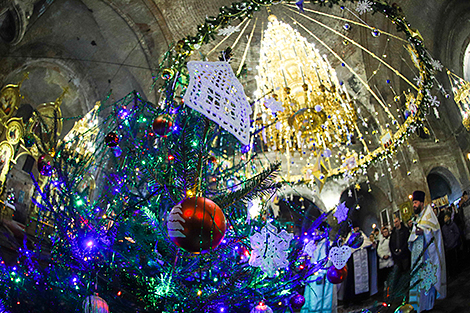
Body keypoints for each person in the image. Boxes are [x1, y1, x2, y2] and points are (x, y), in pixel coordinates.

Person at [408, 190, 446, 313]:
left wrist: (423, 232)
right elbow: (412, 237)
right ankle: (418, 306)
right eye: (413, 202)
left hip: (427, 258)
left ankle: (428, 306)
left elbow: (435, 232)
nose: (414, 205)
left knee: (426, 282)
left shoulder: (429, 215)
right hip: (417, 258)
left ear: (422, 203)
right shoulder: (418, 218)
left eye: (416, 202)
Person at [302, 226, 337, 313]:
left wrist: (321, 272)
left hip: (321, 275)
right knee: (311, 296)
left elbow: (327, 261)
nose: (315, 234)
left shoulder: (327, 244)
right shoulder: (315, 243)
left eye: (317, 231)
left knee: (318, 297)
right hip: (313, 274)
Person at [441, 212, 461, 278]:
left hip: (453, 245)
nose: (445, 219)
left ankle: (456, 272)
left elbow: (457, 233)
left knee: (454, 259)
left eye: (447, 217)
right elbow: (443, 237)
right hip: (447, 246)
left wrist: (454, 241)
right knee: (449, 261)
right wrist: (445, 244)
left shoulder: (453, 225)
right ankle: (451, 273)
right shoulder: (443, 227)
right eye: (445, 218)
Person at [377, 227, 394, 292]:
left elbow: (392, 248)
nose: (385, 233)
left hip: (390, 261)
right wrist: (383, 256)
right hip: (383, 262)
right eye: (384, 232)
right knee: (384, 277)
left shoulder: (390, 239)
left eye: (386, 232)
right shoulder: (381, 241)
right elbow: (379, 250)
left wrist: (389, 255)